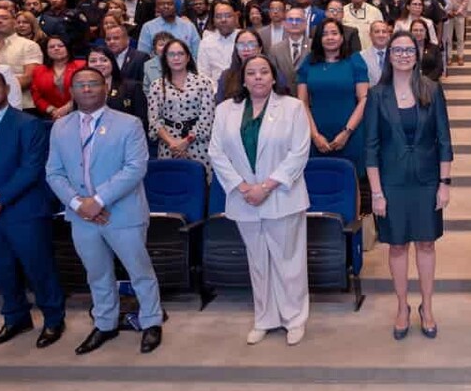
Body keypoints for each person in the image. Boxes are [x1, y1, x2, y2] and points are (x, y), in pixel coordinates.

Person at [45, 66, 163, 355]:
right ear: (71, 91)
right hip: (81, 217)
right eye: (80, 84)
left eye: (93, 83)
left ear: (105, 87)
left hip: (122, 213)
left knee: (140, 271)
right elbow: (54, 173)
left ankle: (151, 321)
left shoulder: (129, 124)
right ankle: (105, 323)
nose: (87, 89)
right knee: (97, 273)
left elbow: (135, 168)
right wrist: (79, 204)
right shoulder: (60, 126)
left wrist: (97, 201)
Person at [0, 69, 65, 348]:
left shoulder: (28, 124)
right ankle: (16, 318)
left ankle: (53, 320)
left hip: (24, 211)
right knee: (2, 269)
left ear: (6, 89)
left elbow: (31, 168)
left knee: (39, 268)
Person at [208, 56, 311, 346]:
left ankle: (294, 318)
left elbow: (299, 153)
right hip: (245, 198)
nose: (257, 77)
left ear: (273, 77)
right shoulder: (226, 110)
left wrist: (266, 186)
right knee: (258, 262)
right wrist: (242, 187)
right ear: (243, 79)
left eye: (264, 72)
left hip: (282, 196)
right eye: (251, 73)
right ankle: (265, 318)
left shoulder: (292, 107)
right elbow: (216, 153)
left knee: (288, 262)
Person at [366, 31, 453, 340]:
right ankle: (402, 306)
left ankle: (426, 307)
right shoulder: (377, 95)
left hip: (427, 182)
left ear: (417, 55)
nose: (403, 55)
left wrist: (444, 183)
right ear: (389, 56)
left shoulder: (431, 89)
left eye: (409, 50)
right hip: (392, 183)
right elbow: (371, 147)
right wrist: (377, 192)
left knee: (426, 244)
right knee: (398, 245)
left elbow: (444, 140)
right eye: (397, 50)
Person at [298, 18, 369, 173]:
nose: (330, 37)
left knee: (352, 180)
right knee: (319, 179)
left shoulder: (355, 60)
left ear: (342, 37)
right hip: (316, 134)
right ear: (319, 38)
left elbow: (364, 98)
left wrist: (347, 132)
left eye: (334, 33)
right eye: (325, 34)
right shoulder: (309, 62)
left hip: (351, 134)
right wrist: (315, 135)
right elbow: (302, 101)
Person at [147, 39, 215, 170]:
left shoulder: (204, 83)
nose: (176, 58)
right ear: (165, 58)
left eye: (181, 54)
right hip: (168, 146)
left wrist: (185, 142)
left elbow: (207, 120)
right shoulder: (156, 85)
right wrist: (173, 143)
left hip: (197, 144)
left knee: (199, 180)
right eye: (171, 54)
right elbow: (154, 121)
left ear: (188, 57)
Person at [0, 8, 42, 115]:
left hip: (24, 105)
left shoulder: (29, 45)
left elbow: (29, 77)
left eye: (4, 18)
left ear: (14, 22)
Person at [85, 47, 148, 133]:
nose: (98, 64)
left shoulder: (132, 87)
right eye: (93, 61)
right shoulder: (82, 89)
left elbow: (142, 121)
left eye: (104, 60)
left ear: (112, 62)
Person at [31, 36, 85, 120]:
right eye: (51, 47)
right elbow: (36, 96)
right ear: (46, 51)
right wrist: (53, 110)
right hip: (52, 117)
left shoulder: (81, 65)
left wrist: (68, 107)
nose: (56, 48)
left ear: (68, 48)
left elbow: (86, 90)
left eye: (60, 46)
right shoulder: (38, 70)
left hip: (79, 113)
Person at [359, 20, 392, 87]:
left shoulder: (397, 55)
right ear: (370, 35)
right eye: (377, 32)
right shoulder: (361, 57)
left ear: (388, 35)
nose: (381, 35)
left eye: (384, 32)